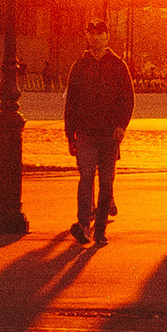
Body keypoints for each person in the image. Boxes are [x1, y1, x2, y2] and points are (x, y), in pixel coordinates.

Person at [62, 23, 135, 245]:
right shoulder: (79, 66)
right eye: (92, 34)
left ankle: (101, 228)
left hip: (109, 134)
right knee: (85, 178)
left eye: (100, 34)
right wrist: (70, 134)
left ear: (107, 37)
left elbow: (128, 99)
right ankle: (83, 224)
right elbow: (71, 102)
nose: (96, 38)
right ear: (86, 37)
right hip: (85, 132)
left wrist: (122, 125)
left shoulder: (118, 65)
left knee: (106, 182)